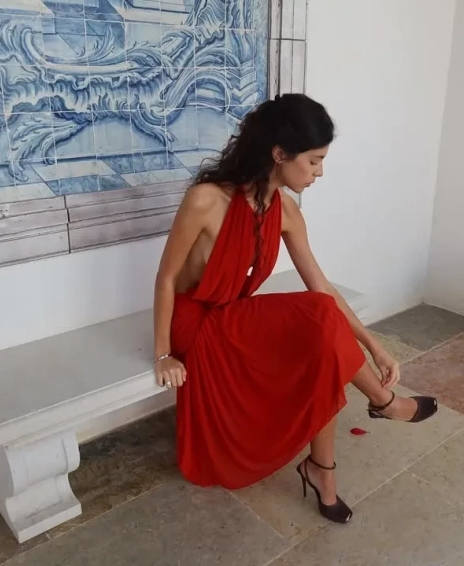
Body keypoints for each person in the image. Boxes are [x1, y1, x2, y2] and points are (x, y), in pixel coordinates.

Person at [152, 93, 438, 524]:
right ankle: (384, 403)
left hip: (235, 319)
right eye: (314, 160)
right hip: (196, 324)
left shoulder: (285, 211)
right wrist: (163, 354)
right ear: (279, 154)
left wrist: (375, 346)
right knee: (317, 321)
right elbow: (166, 279)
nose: (320, 172)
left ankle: (323, 472)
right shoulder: (206, 201)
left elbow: (321, 287)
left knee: (320, 346)